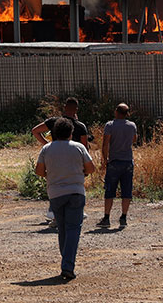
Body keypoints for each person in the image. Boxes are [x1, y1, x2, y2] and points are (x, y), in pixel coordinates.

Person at [35, 118, 95, 282]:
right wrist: (80, 174)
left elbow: (39, 171)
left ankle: (66, 261)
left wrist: (51, 176)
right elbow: (91, 168)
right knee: (73, 229)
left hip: (55, 193)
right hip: (76, 191)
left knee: (62, 229)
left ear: (54, 133)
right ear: (71, 133)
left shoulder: (47, 149)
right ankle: (68, 266)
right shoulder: (78, 147)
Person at [31, 97, 90, 227]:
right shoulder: (80, 126)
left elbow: (35, 131)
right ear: (76, 109)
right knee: (75, 185)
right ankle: (75, 212)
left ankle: (55, 213)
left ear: (64, 107)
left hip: (55, 157)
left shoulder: (54, 121)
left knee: (55, 185)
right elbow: (85, 146)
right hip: (74, 160)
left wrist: (47, 144)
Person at [97, 103, 137, 228]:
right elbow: (134, 140)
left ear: (116, 112)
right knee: (126, 190)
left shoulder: (110, 125)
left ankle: (107, 217)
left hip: (114, 161)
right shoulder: (132, 125)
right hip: (128, 161)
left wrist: (104, 160)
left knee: (109, 190)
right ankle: (123, 217)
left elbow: (105, 144)